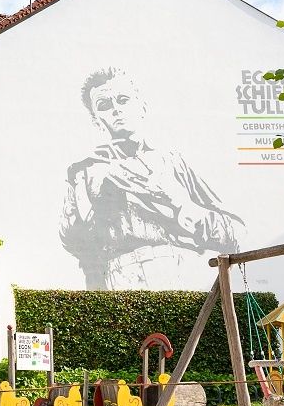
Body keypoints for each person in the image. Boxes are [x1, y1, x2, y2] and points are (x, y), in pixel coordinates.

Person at [60, 67, 243, 289]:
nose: (116, 110)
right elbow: (75, 244)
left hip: (184, 276)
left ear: (142, 106)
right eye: (105, 106)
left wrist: (180, 204)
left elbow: (235, 233)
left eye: (123, 99)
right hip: (121, 282)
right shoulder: (86, 171)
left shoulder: (173, 163)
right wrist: (87, 204)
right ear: (96, 120)